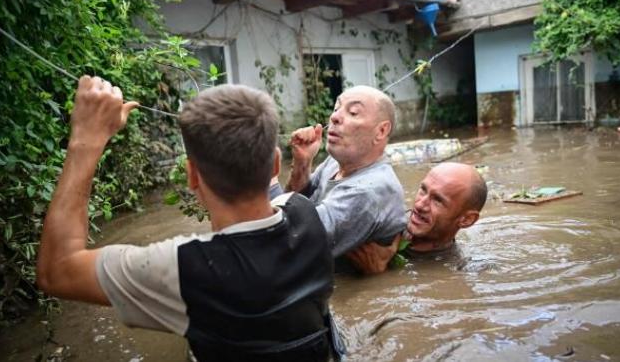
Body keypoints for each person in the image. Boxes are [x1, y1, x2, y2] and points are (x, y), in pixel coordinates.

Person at [36, 76, 339, 362]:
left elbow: (58, 271)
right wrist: (303, 162)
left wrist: (85, 142)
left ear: (191, 176)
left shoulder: (182, 267)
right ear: (275, 162)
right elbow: (277, 200)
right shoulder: (306, 211)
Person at [272, 85, 407, 258]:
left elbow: (286, 241)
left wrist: (268, 178)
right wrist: (302, 164)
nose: (334, 117)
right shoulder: (336, 163)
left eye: (353, 113)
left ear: (381, 131)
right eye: (337, 108)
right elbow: (297, 202)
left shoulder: (367, 191)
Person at [347, 162, 488, 274]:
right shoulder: (384, 221)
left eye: (438, 200)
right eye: (423, 190)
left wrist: (376, 275)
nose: (420, 205)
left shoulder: (453, 271)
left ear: (467, 219)